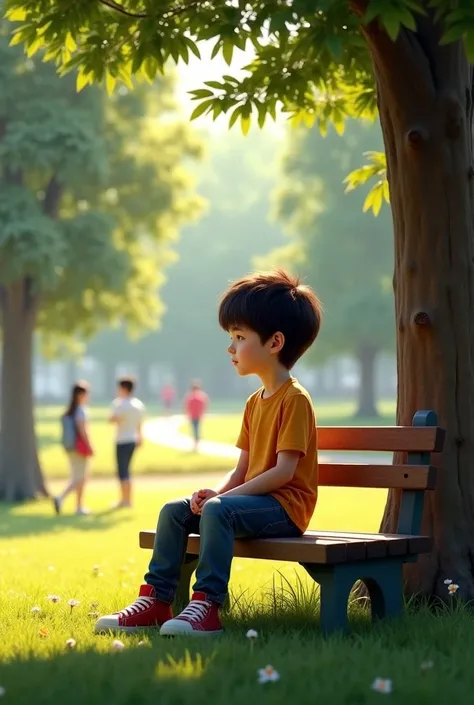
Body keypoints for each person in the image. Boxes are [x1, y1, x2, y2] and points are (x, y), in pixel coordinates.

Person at [95, 269, 322, 637]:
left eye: (239, 337)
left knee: (218, 509)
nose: (230, 348)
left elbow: (283, 473)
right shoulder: (254, 402)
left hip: (286, 509)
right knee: (174, 511)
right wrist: (216, 494)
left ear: (275, 342)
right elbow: (242, 469)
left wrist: (222, 501)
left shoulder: (294, 400)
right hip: (249, 505)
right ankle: (156, 600)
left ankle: (207, 605)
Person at [54, 380, 93, 516]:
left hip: (71, 448)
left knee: (78, 476)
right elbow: (83, 430)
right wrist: (90, 446)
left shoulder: (70, 410)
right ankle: (61, 498)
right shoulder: (81, 410)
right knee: (80, 478)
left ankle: (79, 506)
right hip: (80, 448)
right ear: (81, 394)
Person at [109, 376, 145, 509]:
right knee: (127, 469)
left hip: (122, 439)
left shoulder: (119, 404)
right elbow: (139, 423)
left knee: (122, 471)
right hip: (133, 439)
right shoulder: (138, 404)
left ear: (123, 388)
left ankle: (125, 500)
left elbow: (112, 419)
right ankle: (127, 499)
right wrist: (141, 437)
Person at [184, 380, 209, 452]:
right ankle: (196, 442)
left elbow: (204, 406)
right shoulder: (190, 397)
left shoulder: (201, 396)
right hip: (193, 415)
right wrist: (187, 414)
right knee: (194, 428)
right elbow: (187, 406)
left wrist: (203, 414)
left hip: (198, 415)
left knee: (197, 428)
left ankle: (197, 442)